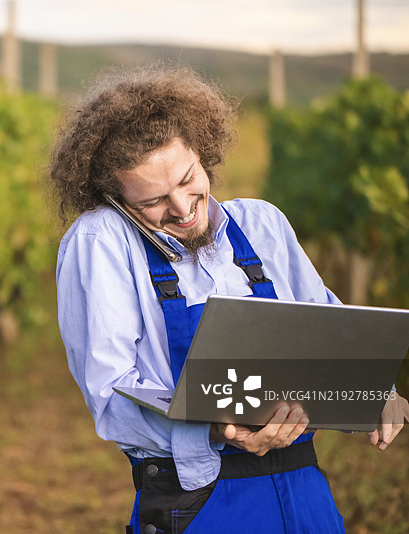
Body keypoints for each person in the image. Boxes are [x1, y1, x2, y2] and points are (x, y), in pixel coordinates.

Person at [49, 65, 409, 534]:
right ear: (115, 201)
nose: (182, 208)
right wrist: (214, 430)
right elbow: (109, 396)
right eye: (152, 202)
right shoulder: (101, 240)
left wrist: (376, 390)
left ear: (202, 151)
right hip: (199, 500)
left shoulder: (262, 223)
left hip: (304, 490)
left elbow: (332, 331)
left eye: (187, 179)